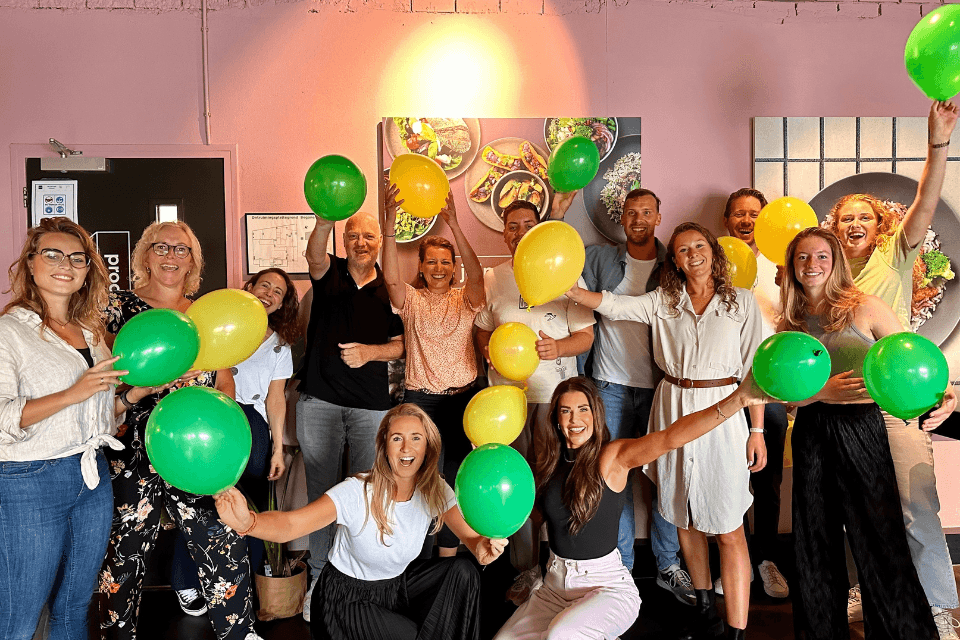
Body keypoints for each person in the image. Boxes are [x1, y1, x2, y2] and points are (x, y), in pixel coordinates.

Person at [566, 222, 764, 639]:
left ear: (713, 251)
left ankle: (737, 631)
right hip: (672, 403)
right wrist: (572, 290)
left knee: (729, 525)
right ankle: (705, 609)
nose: (693, 254)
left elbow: (754, 371)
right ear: (673, 260)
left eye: (699, 245)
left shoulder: (742, 302)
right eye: (683, 249)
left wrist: (757, 430)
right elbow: (615, 306)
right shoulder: (663, 300)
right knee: (683, 516)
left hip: (725, 409)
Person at [494, 374, 773, 640]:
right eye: (565, 411)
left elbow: (671, 437)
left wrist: (738, 400)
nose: (575, 419)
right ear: (556, 419)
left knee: (560, 635)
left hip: (606, 587)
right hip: (553, 588)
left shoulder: (612, 457)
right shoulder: (548, 465)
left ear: (595, 415)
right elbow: (530, 516)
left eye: (583, 409)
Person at [822, 100, 960, 638]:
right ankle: (866, 591)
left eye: (864, 216)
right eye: (846, 218)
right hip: (843, 406)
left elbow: (925, 200)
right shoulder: (823, 275)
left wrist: (938, 141)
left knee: (915, 507)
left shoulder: (895, 256)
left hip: (894, 401)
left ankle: (941, 609)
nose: (854, 223)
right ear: (835, 228)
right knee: (856, 509)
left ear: (879, 225)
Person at [779, 226, 955, 640]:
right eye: (803, 257)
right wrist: (819, 393)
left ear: (836, 262)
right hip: (812, 431)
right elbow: (783, 395)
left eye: (822, 256)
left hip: (862, 428)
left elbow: (908, 359)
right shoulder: (790, 320)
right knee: (814, 538)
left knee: (880, 535)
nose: (812, 264)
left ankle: (903, 633)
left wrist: (945, 393)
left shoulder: (867, 307)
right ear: (792, 265)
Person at [215, 403, 506, 640]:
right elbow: (292, 525)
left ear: (428, 446)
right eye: (397, 438)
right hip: (345, 598)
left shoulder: (434, 489)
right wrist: (248, 522)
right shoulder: (358, 492)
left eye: (416, 438)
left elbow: (471, 539)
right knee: (412, 635)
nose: (407, 448)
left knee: (463, 571)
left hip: (394, 586)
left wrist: (482, 548)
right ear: (384, 446)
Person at [98, 221, 259, 640]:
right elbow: (101, 375)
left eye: (181, 249)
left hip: (197, 446)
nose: (171, 256)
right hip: (133, 444)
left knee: (222, 538)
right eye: (161, 247)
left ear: (193, 262)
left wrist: (222, 427)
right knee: (125, 550)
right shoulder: (116, 307)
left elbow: (224, 382)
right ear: (145, 256)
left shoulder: (205, 313)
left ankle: (240, 633)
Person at [0, 218, 149, 640]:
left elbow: (102, 415)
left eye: (76, 258)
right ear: (30, 265)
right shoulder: (9, 332)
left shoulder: (92, 333)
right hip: (29, 481)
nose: (65, 264)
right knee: (19, 617)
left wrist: (135, 395)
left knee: (74, 607)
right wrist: (73, 392)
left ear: (87, 270)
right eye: (52, 254)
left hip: (91, 477)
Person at [551, 187, 693, 605]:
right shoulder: (599, 258)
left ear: (658, 217)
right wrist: (558, 212)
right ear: (622, 217)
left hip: (661, 388)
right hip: (608, 387)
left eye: (646, 212)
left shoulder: (674, 265)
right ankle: (623, 566)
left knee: (665, 477)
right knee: (614, 480)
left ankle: (668, 565)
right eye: (631, 212)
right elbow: (557, 264)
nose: (638, 219)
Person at [474, 199, 596, 605]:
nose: (520, 231)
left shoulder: (564, 273)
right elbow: (482, 326)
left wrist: (558, 347)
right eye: (512, 225)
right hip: (506, 404)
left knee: (556, 485)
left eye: (528, 224)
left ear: (538, 228)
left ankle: (563, 568)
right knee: (518, 489)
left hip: (554, 399)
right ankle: (526, 570)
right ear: (503, 232)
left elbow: (586, 336)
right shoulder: (494, 277)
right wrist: (487, 349)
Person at [169, 267, 300, 608]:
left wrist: (277, 449)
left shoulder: (279, 345)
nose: (269, 294)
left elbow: (275, 398)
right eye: (264, 285)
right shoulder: (215, 325)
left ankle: (246, 580)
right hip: (211, 418)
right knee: (200, 501)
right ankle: (187, 581)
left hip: (253, 426)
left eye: (278, 292)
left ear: (281, 304)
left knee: (251, 506)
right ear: (249, 286)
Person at [299, 211, 405, 619]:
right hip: (319, 403)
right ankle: (318, 583)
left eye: (369, 236)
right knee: (321, 498)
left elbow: (400, 345)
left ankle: (357, 585)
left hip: (371, 407)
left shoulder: (389, 287)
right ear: (343, 241)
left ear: (379, 241)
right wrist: (325, 218)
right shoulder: (330, 273)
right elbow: (313, 255)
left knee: (366, 497)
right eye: (353, 235)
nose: (361, 243)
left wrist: (370, 353)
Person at [382, 186, 485, 558]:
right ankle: (413, 555)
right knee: (417, 478)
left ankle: (447, 560)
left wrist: (455, 224)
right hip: (420, 403)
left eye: (446, 262)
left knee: (453, 481)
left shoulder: (466, 299)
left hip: (462, 401)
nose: (439, 268)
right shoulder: (411, 299)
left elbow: (477, 277)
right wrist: (390, 223)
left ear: (453, 267)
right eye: (432, 262)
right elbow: (390, 280)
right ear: (421, 267)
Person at [718, 188, 790, 599]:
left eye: (753, 214)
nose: (746, 221)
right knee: (728, 476)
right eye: (738, 213)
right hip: (723, 388)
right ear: (726, 220)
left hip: (770, 388)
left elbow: (795, 323)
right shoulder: (715, 263)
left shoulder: (782, 266)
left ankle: (766, 559)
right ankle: (738, 561)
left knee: (766, 480)